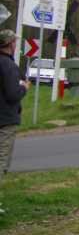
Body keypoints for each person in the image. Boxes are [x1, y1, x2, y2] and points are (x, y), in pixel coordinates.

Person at [0, 28, 29, 213]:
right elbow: (12, 94)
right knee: (2, 160)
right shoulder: (9, 66)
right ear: (11, 44)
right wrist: (24, 88)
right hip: (5, 119)